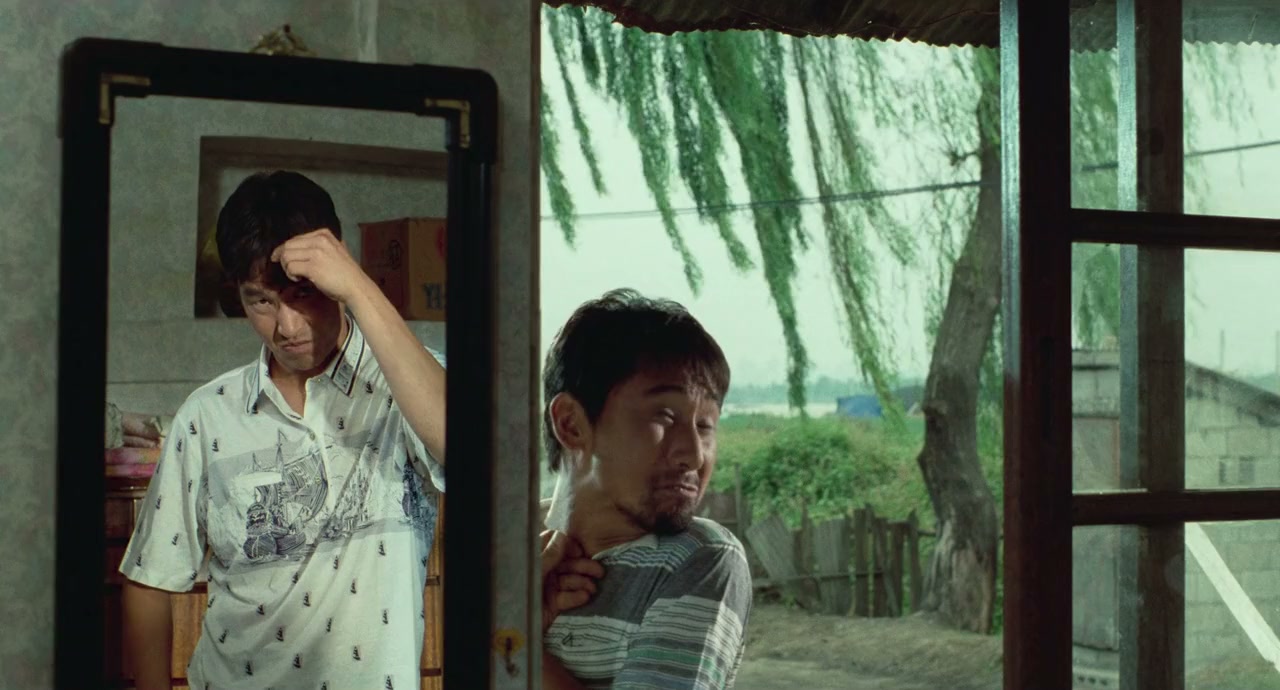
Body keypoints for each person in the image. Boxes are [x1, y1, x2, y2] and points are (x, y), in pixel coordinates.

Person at [119, 170, 447, 690]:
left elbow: (467, 447)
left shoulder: (403, 386)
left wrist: (358, 286)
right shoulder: (207, 415)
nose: (288, 327)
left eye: (304, 294)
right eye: (262, 302)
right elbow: (149, 580)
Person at [538, 289, 753, 690]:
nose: (694, 454)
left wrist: (508, 640)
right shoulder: (504, 546)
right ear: (571, 424)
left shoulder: (700, 558)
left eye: (705, 425)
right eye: (665, 416)